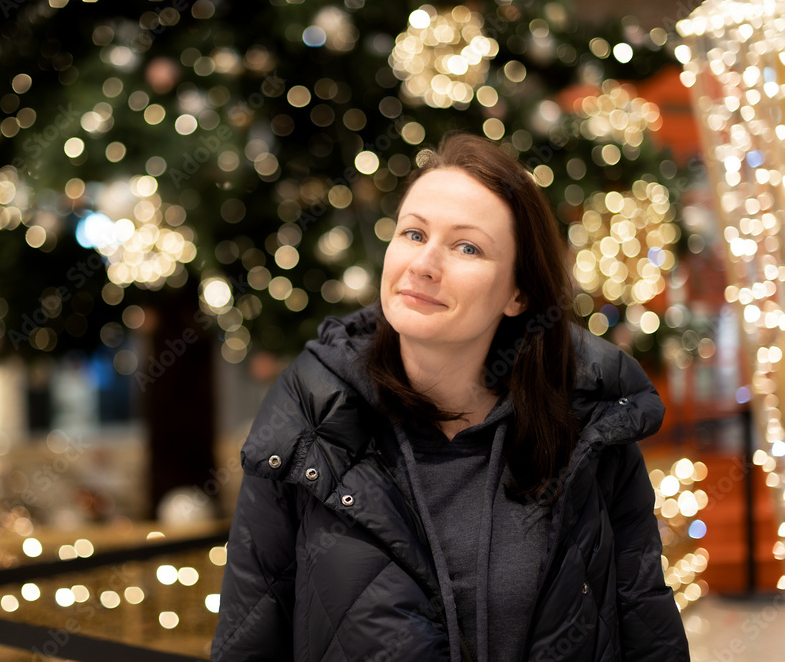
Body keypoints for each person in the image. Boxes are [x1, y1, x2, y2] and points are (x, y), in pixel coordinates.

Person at [210, 133, 690, 662]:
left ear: (517, 293)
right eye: (413, 233)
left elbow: (645, 622)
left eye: (467, 247)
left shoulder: (589, 421)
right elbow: (248, 639)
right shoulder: (310, 415)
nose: (424, 264)